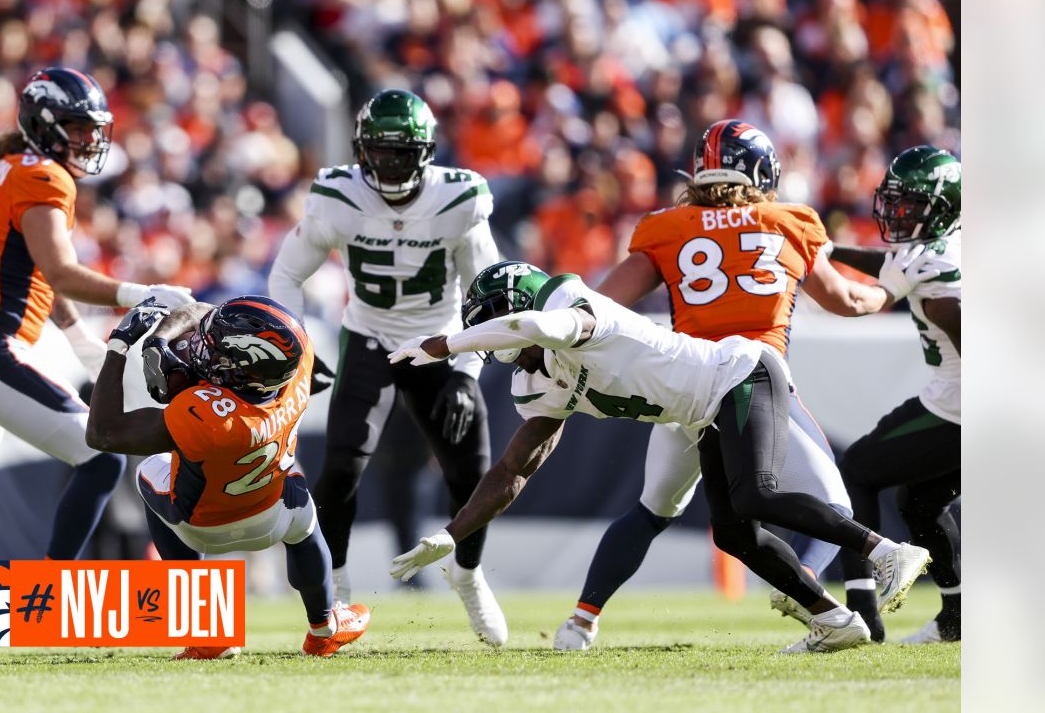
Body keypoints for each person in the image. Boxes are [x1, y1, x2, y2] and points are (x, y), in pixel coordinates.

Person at [388, 261, 932, 654]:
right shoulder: (537, 380)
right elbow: (514, 471)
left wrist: (445, 345)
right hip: (701, 410)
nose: (484, 338)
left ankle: (887, 550)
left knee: (755, 494)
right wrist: (453, 534)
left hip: (741, 372)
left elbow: (533, 327)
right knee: (734, 532)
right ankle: (835, 620)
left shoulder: (575, 311)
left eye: (486, 322)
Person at [555, 119, 937, 649]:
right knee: (830, 504)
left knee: (657, 510)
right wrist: (895, 286)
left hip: (683, 383)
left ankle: (580, 621)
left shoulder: (667, 226)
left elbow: (602, 307)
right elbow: (848, 302)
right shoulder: (788, 220)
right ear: (761, 171)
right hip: (751, 375)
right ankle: (838, 591)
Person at [0, 68, 195, 658]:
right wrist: (139, 293)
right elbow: (60, 272)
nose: (87, 140)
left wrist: (81, 342)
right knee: (100, 454)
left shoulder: (11, 170)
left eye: (91, 128)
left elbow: (33, 280)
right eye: (76, 127)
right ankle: (46, 605)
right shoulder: (43, 177)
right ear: (44, 125)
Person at [267, 89, 506, 645]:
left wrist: (468, 370)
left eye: (402, 153)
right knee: (342, 467)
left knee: (473, 470)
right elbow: (285, 276)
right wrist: (299, 344)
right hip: (369, 337)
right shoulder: (338, 195)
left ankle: (468, 577)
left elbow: (486, 292)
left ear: (425, 152)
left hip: (439, 342)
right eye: (379, 151)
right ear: (360, 150)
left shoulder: (458, 199)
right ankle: (338, 593)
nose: (390, 163)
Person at [85, 296, 371, 659]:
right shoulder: (297, 364)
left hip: (200, 527)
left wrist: (119, 346)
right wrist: (161, 339)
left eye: (214, 348)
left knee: (150, 468)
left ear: (242, 368)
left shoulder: (205, 415)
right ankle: (324, 626)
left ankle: (207, 631)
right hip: (273, 513)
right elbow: (204, 312)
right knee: (302, 506)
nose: (203, 347)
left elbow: (102, 434)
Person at [829, 146, 962, 643]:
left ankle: (862, 610)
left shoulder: (937, 274)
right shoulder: (944, 245)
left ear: (943, 205)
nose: (898, 212)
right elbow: (897, 263)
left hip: (962, 404)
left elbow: (890, 286)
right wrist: (830, 251)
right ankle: (957, 618)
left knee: (858, 469)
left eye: (912, 204)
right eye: (896, 201)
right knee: (920, 503)